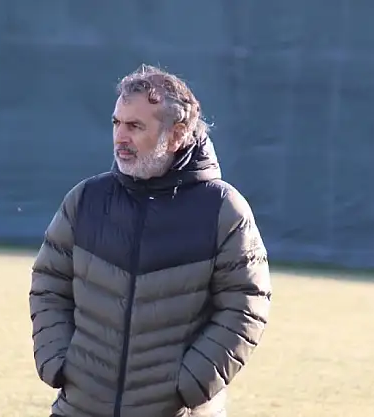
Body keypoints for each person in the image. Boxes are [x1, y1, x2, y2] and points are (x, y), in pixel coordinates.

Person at [29, 64, 272, 417]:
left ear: (176, 134)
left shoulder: (223, 209)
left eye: (135, 126)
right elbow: (49, 284)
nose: (120, 137)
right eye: (117, 123)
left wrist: (191, 385)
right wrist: (57, 361)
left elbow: (246, 304)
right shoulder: (85, 200)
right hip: (79, 408)